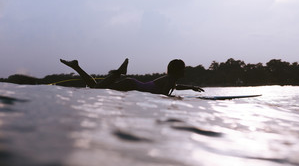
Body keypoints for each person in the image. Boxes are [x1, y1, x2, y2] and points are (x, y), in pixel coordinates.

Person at [60, 58, 204, 96]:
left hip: (132, 84)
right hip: (131, 85)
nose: (185, 71)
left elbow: (174, 88)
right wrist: (174, 98)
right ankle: (119, 72)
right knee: (96, 89)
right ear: (178, 70)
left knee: (95, 88)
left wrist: (190, 88)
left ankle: (76, 66)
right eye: (183, 69)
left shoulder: (170, 79)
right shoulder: (170, 79)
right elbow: (162, 94)